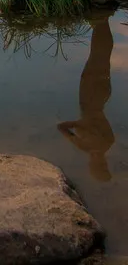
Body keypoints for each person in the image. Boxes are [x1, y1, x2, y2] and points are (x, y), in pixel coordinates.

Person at [57, 16, 115, 182]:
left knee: (99, 57)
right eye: (104, 166)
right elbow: (95, 119)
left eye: (99, 167)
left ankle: (101, 18)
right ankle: (101, 18)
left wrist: (78, 124)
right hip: (95, 98)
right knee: (100, 57)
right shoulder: (106, 142)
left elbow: (61, 127)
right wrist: (80, 125)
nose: (102, 163)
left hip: (92, 99)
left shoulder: (85, 146)